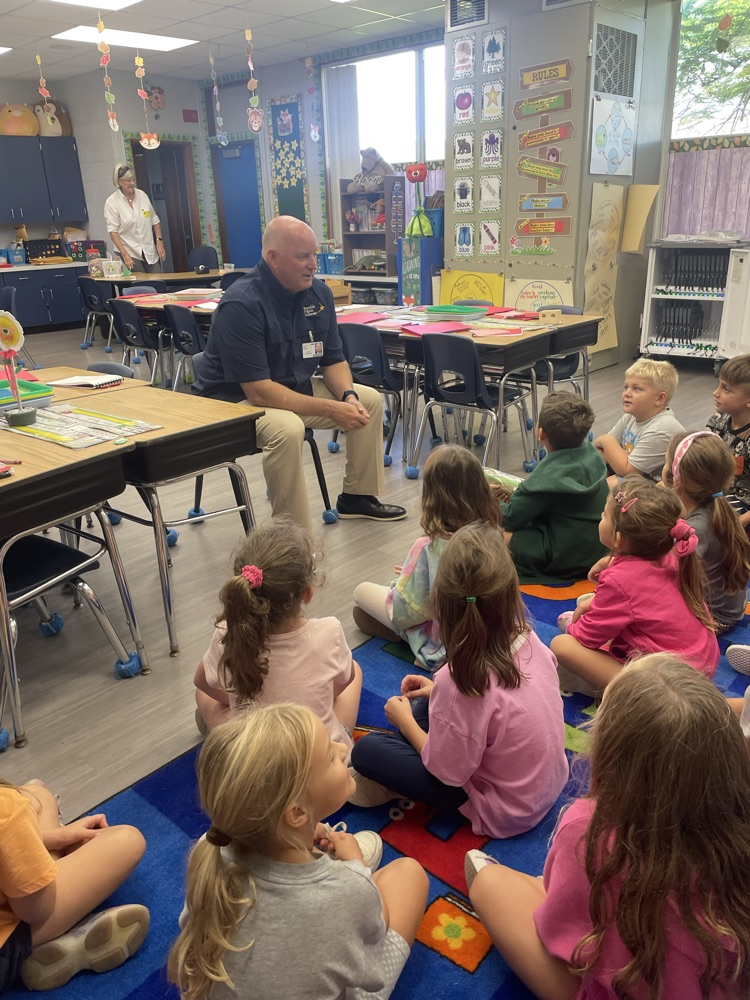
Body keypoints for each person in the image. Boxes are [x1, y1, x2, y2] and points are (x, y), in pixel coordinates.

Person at [466, 654, 750, 1000]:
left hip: (627, 983)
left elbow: (562, 936)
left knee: (490, 884)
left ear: (609, 753)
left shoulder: (589, 829)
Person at [167, 705, 428, 1000]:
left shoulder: (209, 848)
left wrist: (300, 839)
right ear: (296, 813)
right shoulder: (350, 891)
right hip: (344, 904)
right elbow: (378, 929)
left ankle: (310, 857)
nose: (342, 749)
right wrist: (356, 864)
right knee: (409, 874)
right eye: (331, 757)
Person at [349, 522, 569, 839]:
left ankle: (394, 772)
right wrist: (437, 691)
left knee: (367, 751)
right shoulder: (528, 637)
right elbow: (502, 703)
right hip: (545, 783)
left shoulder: (460, 680)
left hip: (504, 809)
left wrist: (406, 723)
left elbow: (448, 774)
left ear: (439, 601)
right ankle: (416, 742)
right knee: (428, 701)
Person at [192, 215, 406, 532]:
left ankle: (357, 498)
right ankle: (293, 536)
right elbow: (259, 392)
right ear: (273, 258)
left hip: (289, 390)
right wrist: (331, 408)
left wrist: (347, 396)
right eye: (303, 256)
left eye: (314, 255)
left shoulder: (318, 295)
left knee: (368, 399)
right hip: (232, 404)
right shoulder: (242, 303)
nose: (312, 264)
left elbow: (333, 360)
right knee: (288, 428)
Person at [194, 517, 362, 752]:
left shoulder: (226, 633)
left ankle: (229, 740)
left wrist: (237, 702)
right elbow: (342, 684)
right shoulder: (329, 632)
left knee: (203, 697)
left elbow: (201, 682)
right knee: (354, 670)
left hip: (255, 759)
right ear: (307, 593)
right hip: (320, 759)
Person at [551, 476, 719, 696]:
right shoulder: (673, 553)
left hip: (671, 688)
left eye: (603, 515)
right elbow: (642, 592)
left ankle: (618, 696)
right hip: (699, 664)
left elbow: (587, 637)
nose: (600, 518)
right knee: (588, 602)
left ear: (619, 539)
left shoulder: (619, 580)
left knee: (561, 645)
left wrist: (573, 626)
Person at [351, 445, 499, 671]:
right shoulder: (493, 535)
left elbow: (406, 613)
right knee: (369, 610)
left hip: (443, 641)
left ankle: (416, 646)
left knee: (361, 592)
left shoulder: (428, 546)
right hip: (489, 634)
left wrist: (403, 584)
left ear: (432, 497)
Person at [0, 778, 148, 993]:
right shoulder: (6, 807)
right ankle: (66, 935)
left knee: (36, 792)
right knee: (127, 840)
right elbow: (37, 910)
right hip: (8, 946)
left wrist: (54, 838)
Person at [497, 392, 609, 583]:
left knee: (495, 533)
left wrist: (491, 499)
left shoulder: (547, 479)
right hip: (597, 550)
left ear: (540, 433)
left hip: (562, 557)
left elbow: (509, 519)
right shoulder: (592, 454)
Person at [662, 431, 750, 633]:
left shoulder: (697, 527)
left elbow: (668, 574)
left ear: (676, 479)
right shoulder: (717, 505)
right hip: (732, 607)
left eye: (665, 463)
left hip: (714, 617)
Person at [594, 359, 683, 486]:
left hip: (657, 485)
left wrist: (606, 439)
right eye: (626, 387)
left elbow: (628, 471)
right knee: (592, 473)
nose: (627, 393)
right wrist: (617, 455)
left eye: (637, 389)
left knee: (604, 488)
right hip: (637, 476)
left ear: (660, 398)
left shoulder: (662, 427)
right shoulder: (629, 417)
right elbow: (600, 452)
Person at [706, 354, 750, 525]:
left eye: (726, 389)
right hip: (717, 490)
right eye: (718, 385)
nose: (715, 393)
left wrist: (740, 522)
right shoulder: (717, 421)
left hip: (743, 503)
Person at [104, 164, 165, 273]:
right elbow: (113, 232)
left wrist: (159, 241)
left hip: (148, 248)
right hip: (129, 250)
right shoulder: (112, 202)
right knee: (140, 283)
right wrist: (125, 254)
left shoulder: (142, 195)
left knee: (158, 280)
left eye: (133, 179)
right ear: (119, 182)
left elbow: (155, 220)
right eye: (128, 180)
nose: (132, 183)